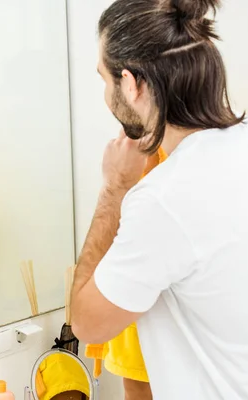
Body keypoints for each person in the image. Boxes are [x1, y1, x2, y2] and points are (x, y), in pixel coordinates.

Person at [70, 0, 248, 398]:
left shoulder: (164, 198)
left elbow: (86, 323)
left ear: (131, 83)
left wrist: (114, 190)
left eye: (104, 79)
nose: (106, 93)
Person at [83, 146, 167, 400]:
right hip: (128, 297)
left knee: (151, 383)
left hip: (160, 298)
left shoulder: (175, 159)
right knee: (135, 384)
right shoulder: (131, 155)